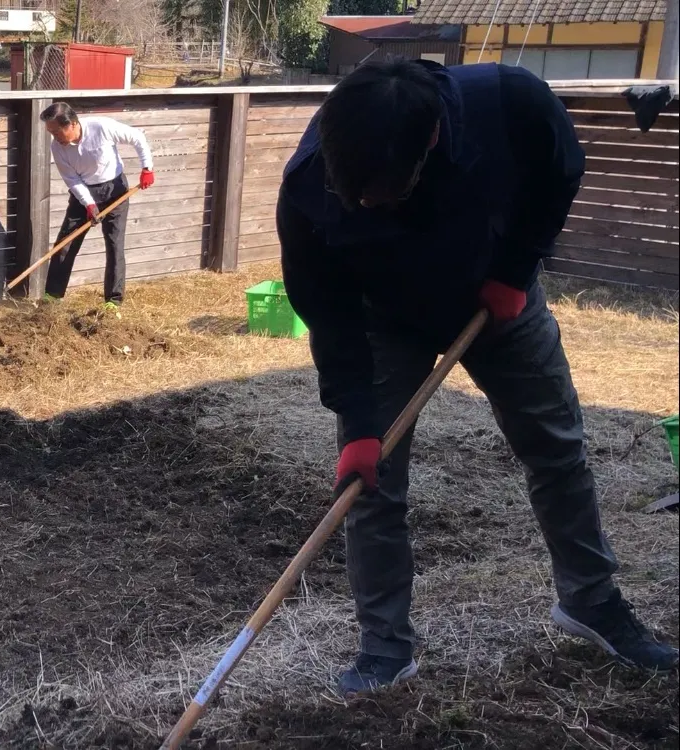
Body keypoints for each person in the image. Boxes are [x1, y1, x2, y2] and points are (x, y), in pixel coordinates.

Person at [276, 59, 679, 697]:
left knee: (556, 448)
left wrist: (516, 270)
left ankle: (591, 602)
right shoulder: (308, 187)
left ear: (430, 140)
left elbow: (561, 168)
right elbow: (329, 315)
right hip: (385, 322)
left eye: (384, 194)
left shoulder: (510, 104)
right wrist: (356, 423)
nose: (363, 205)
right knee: (371, 486)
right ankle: (385, 648)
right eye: (353, 194)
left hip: (498, 298)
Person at [40, 102, 155, 313]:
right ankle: (52, 298)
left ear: (72, 124)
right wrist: (89, 203)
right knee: (66, 243)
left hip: (115, 191)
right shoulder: (57, 147)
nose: (54, 136)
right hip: (83, 193)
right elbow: (71, 179)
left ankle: (113, 302)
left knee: (114, 245)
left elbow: (137, 137)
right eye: (50, 132)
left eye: (56, 131)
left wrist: (147, 168)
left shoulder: (101, 127)